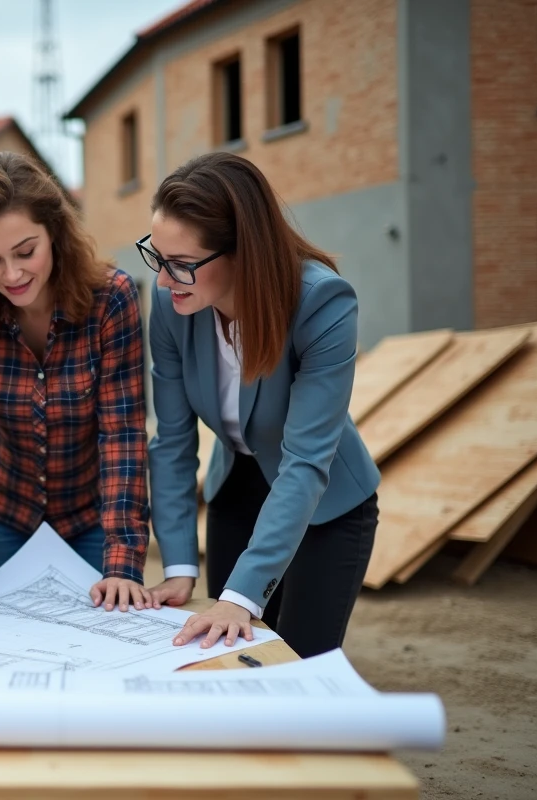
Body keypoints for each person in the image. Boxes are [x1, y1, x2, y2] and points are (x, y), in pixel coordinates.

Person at [140, 151, 380, 659]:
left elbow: (305, 462)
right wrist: (180, 565)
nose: (162, 280)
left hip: (326, 501)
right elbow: (173, 442)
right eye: (157, 257)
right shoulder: (170, 305)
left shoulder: (322, 303)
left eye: (181, 266)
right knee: (229, 660)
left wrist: (242, 597)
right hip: (237, 487)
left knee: (297, 663)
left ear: (241, 252)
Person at [0, 151, 150, 618]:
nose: (12, 275)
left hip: (92, 516)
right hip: (7, 516)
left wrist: (123, 563)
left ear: (54, 234)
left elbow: (122, 433)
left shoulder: (111, 300)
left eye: (25, 252)